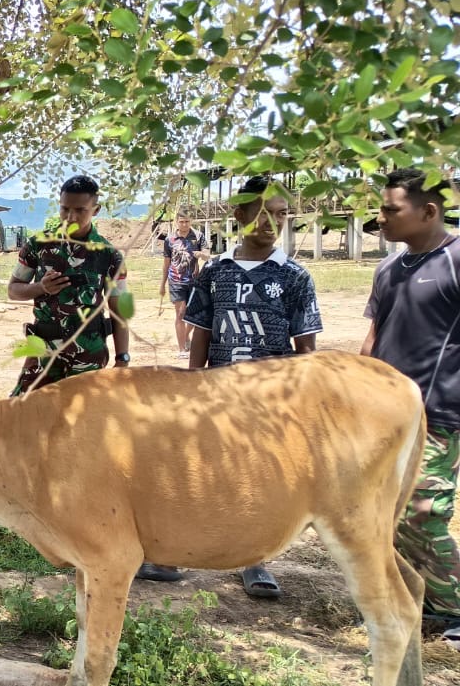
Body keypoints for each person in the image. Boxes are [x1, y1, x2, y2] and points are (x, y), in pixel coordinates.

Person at [138, 176, 323, 592]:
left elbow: (306, 349)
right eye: (262, 213)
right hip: (216, 394)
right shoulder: (215, 272)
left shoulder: (294, 276)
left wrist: (300, 402)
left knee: (258, 479)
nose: (272, 222)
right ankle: (170, 555)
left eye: (281, 214)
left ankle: (254, 560)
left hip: (270, 402)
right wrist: (192, 387)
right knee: (194, 470)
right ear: (238, 214)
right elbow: (202, 333)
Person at [361, 167, 460, 648]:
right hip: (383, 418)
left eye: (390, 209)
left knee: (422, 511)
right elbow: (374, 337)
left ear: (428, 211)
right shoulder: (388, 268)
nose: (380, 218)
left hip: (438, 414)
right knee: (384, 513)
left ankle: (454, 605)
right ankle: (421, 602)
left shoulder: (457, 260)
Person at [7, 174, 130, 393]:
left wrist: (122, 359)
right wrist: (40, 287)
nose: (70, 217)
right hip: (43, 352)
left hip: (88, 355)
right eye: (65, 209)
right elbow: (13, 290)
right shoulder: (38, 245)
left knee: (83, 414)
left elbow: (118, 312)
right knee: (24, 409)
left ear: (96, 210)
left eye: (80, 210)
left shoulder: (110, 255)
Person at [159, 213, 208, 356]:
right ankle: (182, 350)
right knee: (180, 313)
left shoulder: (198, 236)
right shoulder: (170, 239)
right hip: (176, 281)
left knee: (194, 314)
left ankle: (186, 335)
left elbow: (207, 254)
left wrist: (202, 254)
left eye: (187, 221)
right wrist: (162, 284)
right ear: (176, 222)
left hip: (194, 281)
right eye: (181, 221)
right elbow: (166, 263)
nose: (184, 224)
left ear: (191, 221)